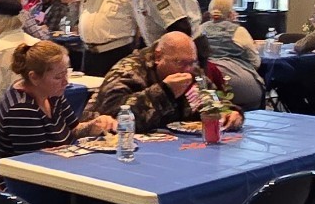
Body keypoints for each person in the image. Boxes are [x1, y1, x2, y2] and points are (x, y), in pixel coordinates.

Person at [0, 41, 116, 187]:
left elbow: (74, 129)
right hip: (8, 187)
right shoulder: (22, 110)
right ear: (34, 77)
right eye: (58, 77)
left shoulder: (51, 93)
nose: (66, 82)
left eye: (66, 73)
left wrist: (96, 125)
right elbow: (39, 165)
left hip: (42, 177)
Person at [94, 31, 244, 133]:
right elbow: (111, 112)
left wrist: (229, 113)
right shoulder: (129, 70)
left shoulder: (191, 70)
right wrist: (165, 91)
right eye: (179, 62)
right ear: (158, 57)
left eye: (192, 62)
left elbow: (213, 99)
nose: (187, 69)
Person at [60, 0, 137, 76]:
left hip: (117, 51)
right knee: (90, 91)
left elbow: (141, 22)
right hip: (89, 53)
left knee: (114, 92)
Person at [200, 0, 265, 110]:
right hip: (238, 83)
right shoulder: (238, 30)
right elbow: (256, 62)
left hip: (206, 82)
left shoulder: (199, 29)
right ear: (231, 13)